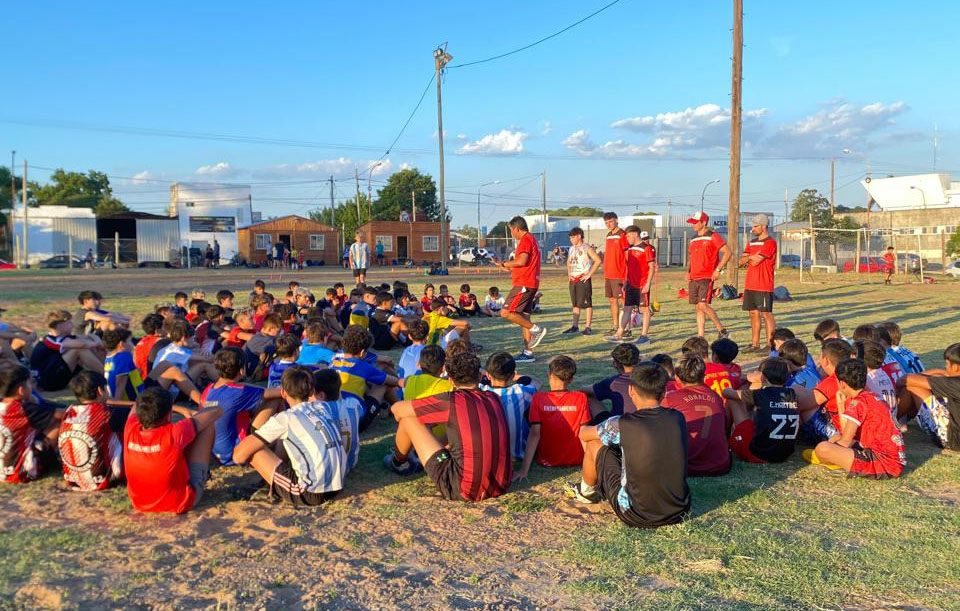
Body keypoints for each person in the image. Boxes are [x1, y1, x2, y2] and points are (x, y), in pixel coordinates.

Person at [569, 363, 690, 529]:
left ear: (631, 390)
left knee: (594, 443)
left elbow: (584, 434)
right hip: (679, 510)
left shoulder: (621, 423)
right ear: (664, 392)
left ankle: (586, 492)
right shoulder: (678, 417)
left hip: (635, 513)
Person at [385, 352, 513, 502]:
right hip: (501, 484)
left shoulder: (451, 401)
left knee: (408, 421)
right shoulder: (494, 398)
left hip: (463, 488)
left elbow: (397, 410)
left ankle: (399, 462)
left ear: (451, 380)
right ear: (479, 376)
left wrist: (424, 421)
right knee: (455, 426)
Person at [123, 386, 222, 513]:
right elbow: (216, 411)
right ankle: (203, 474)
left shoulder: (130, 428)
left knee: (182, 441)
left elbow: (134, 406)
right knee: (207, 426)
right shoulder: (175, 432)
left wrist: (171, 407)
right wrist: (185, 411)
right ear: (168, 415)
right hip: (179, 503)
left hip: (140, 503)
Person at [806, 358, 906, 478]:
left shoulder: (858, 403)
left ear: (842, 384)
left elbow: (846, 441)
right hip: (888, 457)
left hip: (885, 464)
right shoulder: (870, 397)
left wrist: (827, 451)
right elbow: (845, 434)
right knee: (835, 438)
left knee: (823, 449)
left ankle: (834, 462)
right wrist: (841, 405)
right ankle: (838, 460)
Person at [515, 356, 590, 480]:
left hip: (546, 460)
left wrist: (523, 470)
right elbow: (584, 432)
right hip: (576, 459)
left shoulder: (538, 398)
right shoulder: (581, 397)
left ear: (549, 374)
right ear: (571, 379)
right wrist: (590, 463)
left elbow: (534, 434)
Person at [662, 356, 731, 476]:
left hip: (686, 466)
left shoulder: (670, 398)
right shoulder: (715, 396)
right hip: (720, 464)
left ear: (677, 378)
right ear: (704, 377)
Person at [724, 358, 802, 464]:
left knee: (733, 400)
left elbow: (727, 393)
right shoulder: (792, 393)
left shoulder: (759, 394)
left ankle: (724, 437)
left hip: (758, 453)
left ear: (762, 377)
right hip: (784, 454)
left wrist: (742, 383)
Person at [59, 371, 123, 491]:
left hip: (74, 479)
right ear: (100, 391)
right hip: (104, 479)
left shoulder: (69, 412)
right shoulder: (106, 413)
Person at [494, 216, 546, 364]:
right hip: (529, 281)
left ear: (516, 228)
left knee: (506, 312)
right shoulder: (531, 239)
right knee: (524, 317)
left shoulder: (525, 240)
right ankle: (528, 352)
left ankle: (537, 330)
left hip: (524, 283)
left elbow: (522, 261)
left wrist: (505, 262)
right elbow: (523, 264)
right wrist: (507, 266)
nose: (512, 234)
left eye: (511, 230)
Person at [0, 364, 61, 484]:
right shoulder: (24, 409)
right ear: (21, 390)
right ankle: (52, 460)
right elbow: (63, 414)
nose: (32, 387)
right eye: (30, 383)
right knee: (60, 421)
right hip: (21, 473)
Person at [899, 342, 960, 450]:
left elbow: (906, 379)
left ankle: (890, 421)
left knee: (913, 387)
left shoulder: (954, 384)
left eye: (947, 364)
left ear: (955, 367)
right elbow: (941, 373)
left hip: (952, 440)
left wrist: (896, 386)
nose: (946, 367)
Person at [479, 351, 538, 460]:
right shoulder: (521, 391)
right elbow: (535, 382)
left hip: (490, 454)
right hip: (516, 454)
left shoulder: (480, 391)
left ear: (488, 375)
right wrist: (518, 377)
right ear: (512, 375)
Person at [30, 310, 104, 391]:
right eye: (69, 323)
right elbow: (83, 344)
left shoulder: (63, 337)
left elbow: (88, 337)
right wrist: (97, 342)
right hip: (46, 382)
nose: (72, 325)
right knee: (79, 350)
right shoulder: (52, 340)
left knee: (89, 346)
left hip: (53, 374)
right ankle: (107, 375)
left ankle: (107, 371)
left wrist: (96, 342)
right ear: (60, 326)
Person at [685, 211, 731, 339]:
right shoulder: (693, 239)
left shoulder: (713, 236)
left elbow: (727, 253)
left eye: (695, 222)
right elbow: (691, 256)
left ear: (703, 222)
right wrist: (688, 271)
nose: (693, 225)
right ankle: (701, 335)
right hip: (694, 276)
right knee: (698, 307)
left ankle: (722, 330)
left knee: (703, 305)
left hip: (706, 276)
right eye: (692, 222)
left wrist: (718, 270)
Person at [607, 226, 652, 344]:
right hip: (631, 284)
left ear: (636, 234)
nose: (627, 238)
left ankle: (644, 336)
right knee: (627, 309)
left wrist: (648, 283)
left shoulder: (646, 248)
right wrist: (626, 281)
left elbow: (652, 267)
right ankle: (619, 334)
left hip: (642, 285)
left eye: (628, 235)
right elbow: (629, 267)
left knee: (645, 309)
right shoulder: (630, 249)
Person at [740, 214, 778, 352]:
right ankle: (755, 344)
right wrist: (750, 257)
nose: (753, 229)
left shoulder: (770, 242)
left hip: (764, 284)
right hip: (750, 284)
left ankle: (770, 344)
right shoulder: (752, 242)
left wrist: (748, 258)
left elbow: (755, 261)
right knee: (753, 313)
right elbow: (741, 261)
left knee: (766, 314)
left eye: (755, 226)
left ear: (764, 226)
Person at [563, 227, 602, 336]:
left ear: (579, 236)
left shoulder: (587, 248)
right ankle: (575, 326)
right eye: (570, 237)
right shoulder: (571, 249)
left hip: (582, 279)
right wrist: (569, 273)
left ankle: (588, 327)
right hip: (573, 280)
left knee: (587, 304)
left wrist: (589, 274)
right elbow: (568, 262)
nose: (571, 239)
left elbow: (598, 260)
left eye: (572, 237)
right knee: (575, 304)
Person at [586, 343, 641, 416]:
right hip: (649, 421)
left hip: (620, 424)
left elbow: (584, 391)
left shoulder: (613, 383)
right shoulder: (652, 377)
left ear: (615, 364)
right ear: (639, 360)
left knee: (590, 398)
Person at [601, 212, 629, 336]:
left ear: (616, 220)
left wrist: (627, 273)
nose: (609, 224)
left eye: (610, 221)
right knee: (612, 301)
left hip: (619, 273)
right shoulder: (608, 235)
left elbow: (627, 254)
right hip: (609, 273)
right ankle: (615, 326)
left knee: (624, 301)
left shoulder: (622, 235)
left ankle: (627, 328)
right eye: (606, 222)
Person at [103, 329, 143, 401]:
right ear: (121, 344)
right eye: (129, 341)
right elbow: (120, 385)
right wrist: (117, 407)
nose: (132, 343)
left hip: (115, 399)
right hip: (131, 402)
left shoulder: (109, 357)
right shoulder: (124, 357)